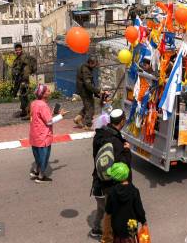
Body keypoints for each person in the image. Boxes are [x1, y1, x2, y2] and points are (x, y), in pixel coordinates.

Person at [91, 109, 132, 241]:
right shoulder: (117, 142)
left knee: (101, 207)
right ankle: (108, 237)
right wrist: (127, 151)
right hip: (109, 186)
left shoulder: (100, 135)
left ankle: (96, 228)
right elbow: (122, 168)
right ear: (122, 122)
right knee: (112, 214)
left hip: (97, 182)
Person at [29, 84, 68, 183]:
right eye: (48, 91)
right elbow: (49, 121)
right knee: (44, 157)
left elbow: (39, 117)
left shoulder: (34, 103)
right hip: (43, 136)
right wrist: (60, 115)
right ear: (43, 94)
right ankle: (41, 177)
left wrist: (52, 112)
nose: (50, 92)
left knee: (37, 155)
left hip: (35, 135)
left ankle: (35, 171)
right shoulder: (43, 105)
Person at [104, 163, 147, 243]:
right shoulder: (134, 191)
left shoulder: (112, 192)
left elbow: (108, 210)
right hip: (131, 225)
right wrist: (144, 221)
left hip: (117, 226)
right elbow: (139, 209)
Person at [75, 55, 103, 131]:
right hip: (85, 91)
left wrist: (95, 92)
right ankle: (87, 125)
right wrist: (98, 91)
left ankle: (78, 118)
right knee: (90, 108)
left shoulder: (85, 67)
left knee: (87, 105)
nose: (96, 66)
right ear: (91, 63)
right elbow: (88, 84)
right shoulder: (86, 70)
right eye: (95, 64)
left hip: (83, 90)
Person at [12, 43, 33, 120]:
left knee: (25, 97)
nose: (18, 51)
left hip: (23, 80)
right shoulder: (18, 58)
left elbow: (26, 70)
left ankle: (29, 113)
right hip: (19, 80)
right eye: (16, 50)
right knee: (22, 96)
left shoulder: (24, 58)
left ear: (21, 49)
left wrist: (24, 80)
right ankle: (24, 112)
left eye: (19, 50)